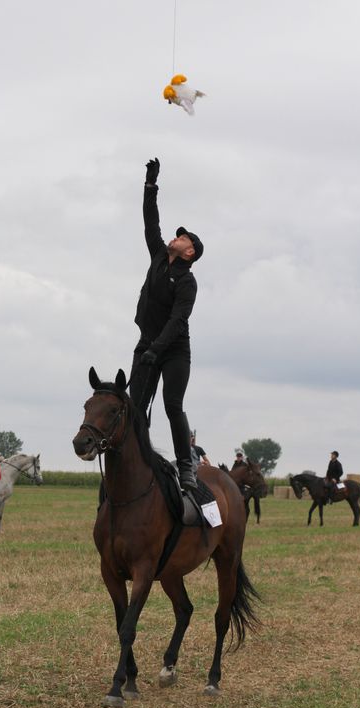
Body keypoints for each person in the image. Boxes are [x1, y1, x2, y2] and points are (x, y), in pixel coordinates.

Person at [129, 157, 204, 491]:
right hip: (148, 343)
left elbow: (177, 321)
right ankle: (134, 462)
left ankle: (186, 466)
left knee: (172, 405)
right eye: (179, 235)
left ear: (190, 252)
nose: (178, 236)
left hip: (173, 350)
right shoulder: (159, 255)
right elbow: (150, 222)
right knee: (135, 406)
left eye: (184, 237)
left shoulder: (187, 282)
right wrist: (150, 185)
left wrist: (156, 350)